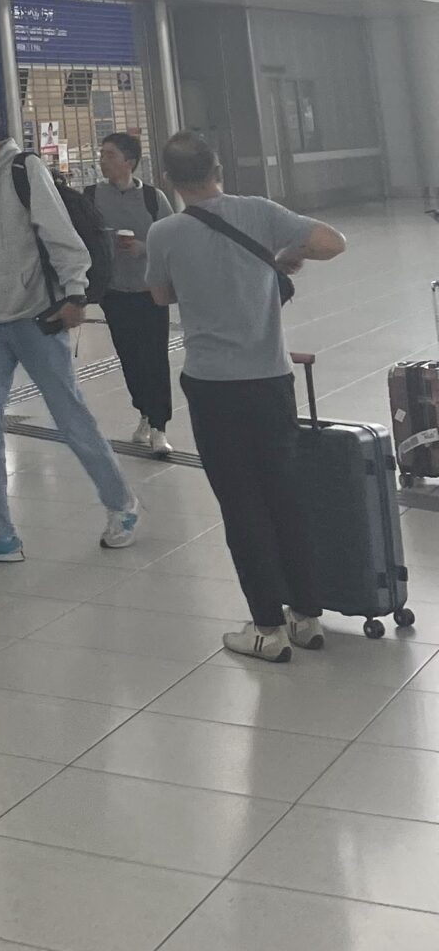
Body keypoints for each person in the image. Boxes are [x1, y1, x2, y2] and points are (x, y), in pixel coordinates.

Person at [148, 128, 345, 661]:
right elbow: (333, 242)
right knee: (285, 494)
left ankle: (265, 628)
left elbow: (161, 294)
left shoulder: (165, 232)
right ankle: (306, 616)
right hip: (271, 380)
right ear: (219, 168)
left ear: (168, 179)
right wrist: (282, 255)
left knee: (242, 506)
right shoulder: (258, 211)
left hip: (213, 386)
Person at [0, 89, 139, 567]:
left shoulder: (23, 168)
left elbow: (62, 238)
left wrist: (75, 295)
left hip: (36, 319)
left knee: (71, 419)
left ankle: (123, 506)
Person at [93, 132, 174, 457]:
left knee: (154, 357)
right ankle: (143, 410)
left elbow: (173, 241)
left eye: (110, 155)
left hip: (150, 290)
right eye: (102, 154)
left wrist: (145, 247)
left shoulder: (155, 199)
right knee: (129, 358)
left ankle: (159, 426)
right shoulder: (91, 197)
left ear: (129, 162)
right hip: (114, 292)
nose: (103, 160)